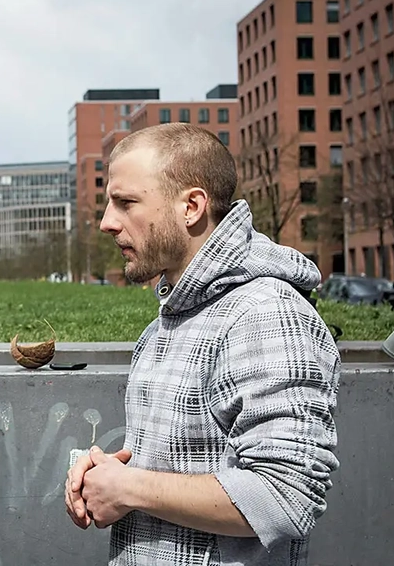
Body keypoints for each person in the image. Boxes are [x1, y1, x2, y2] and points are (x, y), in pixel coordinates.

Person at [64, 123, 340, 565]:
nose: (107, 222)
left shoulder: (265, 314)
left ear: (191, 207)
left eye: (126, 202)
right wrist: (108, 476)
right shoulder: (171, 321)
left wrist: (129, 487)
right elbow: (187, 465)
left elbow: (286, 496)